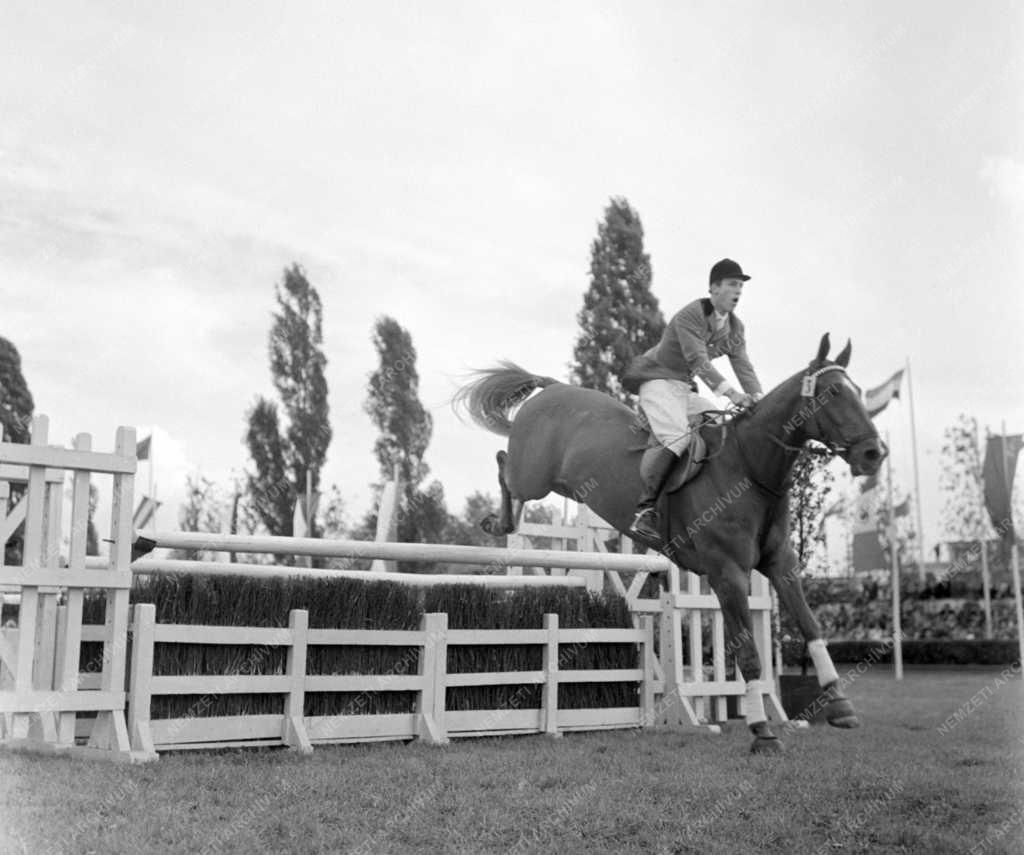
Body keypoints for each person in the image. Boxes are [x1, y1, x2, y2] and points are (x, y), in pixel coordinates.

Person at [622, 258, 765, 544]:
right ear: (714, 288)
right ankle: (646, 510)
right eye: (732, 285)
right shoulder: (692, 314)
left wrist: (760, 401)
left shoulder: (735, 328)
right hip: (658, 381)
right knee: (678, 438)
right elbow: (698, 361)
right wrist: (733, 394)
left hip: (683, 390)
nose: (738, 291)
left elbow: (744, 366)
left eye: (740, 286)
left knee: (718, 422)